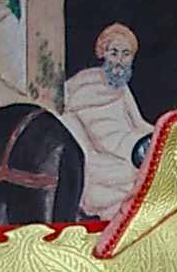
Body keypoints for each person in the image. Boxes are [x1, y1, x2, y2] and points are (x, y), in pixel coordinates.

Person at [60, 22, 158, 220]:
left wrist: (166, 129)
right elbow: (104, 137)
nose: (119, 61)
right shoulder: (86, 87)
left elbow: (138, 123)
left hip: (126, 155)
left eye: (126, 54)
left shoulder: (122, 89)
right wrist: (135, 148)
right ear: (103, 54)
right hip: (101, 164)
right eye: (114, 53)